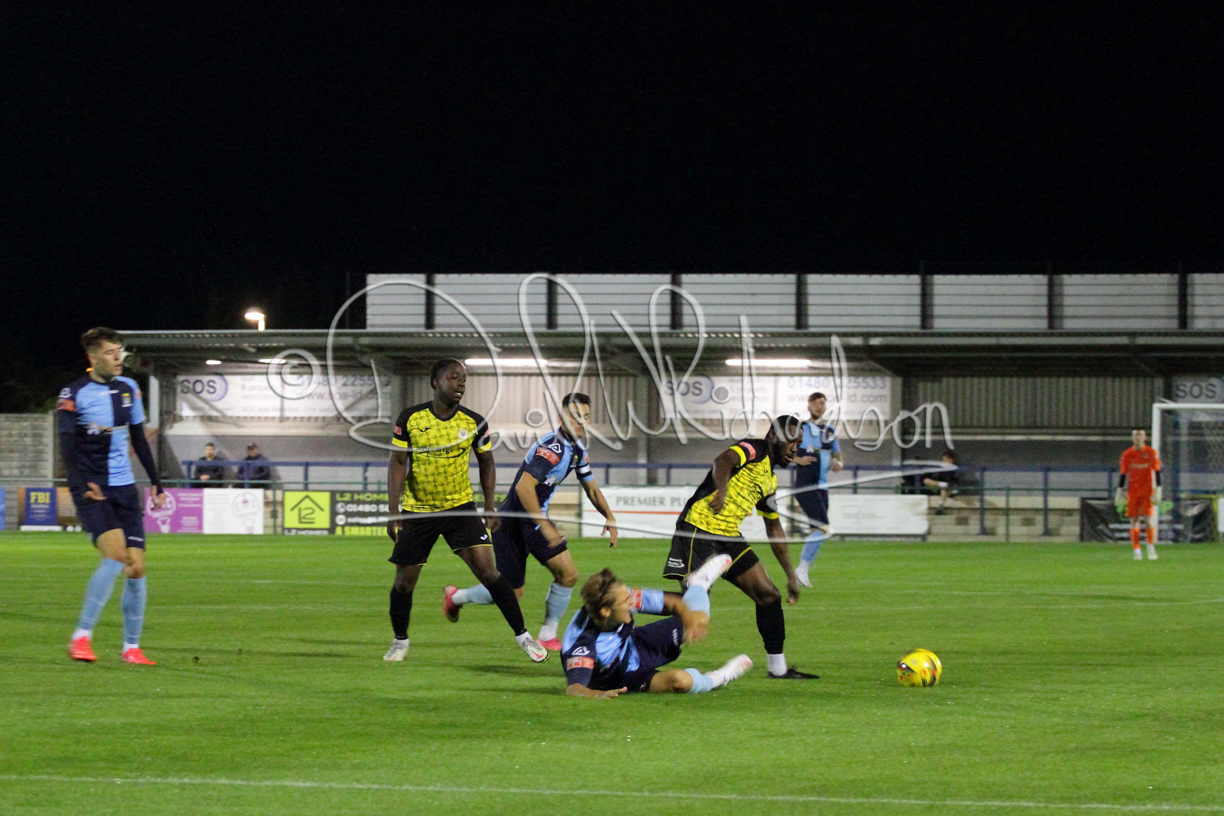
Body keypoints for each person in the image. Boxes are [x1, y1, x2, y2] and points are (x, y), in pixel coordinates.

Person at [384, 358, 548, 663]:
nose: (461, 383)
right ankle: (400, 641)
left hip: (460, 508)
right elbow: (397, 462)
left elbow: (487, 462)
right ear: (436, 382)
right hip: (418, 511)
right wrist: (394, 510)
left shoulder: (474, 422)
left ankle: (524, 637)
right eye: (454, 377)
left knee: (489, 572)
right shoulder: (410, 418)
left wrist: (489, 506)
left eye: (464, 379)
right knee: (404, 583)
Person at [444, 393, 619, 650]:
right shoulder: (553, 449)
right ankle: (458, 597)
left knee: (560, 577)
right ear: (561, 419)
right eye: (575, 417)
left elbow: (591, 488)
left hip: (528, 520)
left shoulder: (578, 451)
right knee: (520, 590)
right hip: (515, 521)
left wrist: (609, 515)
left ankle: (545, 634)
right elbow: (524, 487)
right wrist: (545, 526)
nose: (582, 422)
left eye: (586, 417)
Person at [663, 415, 818, 679]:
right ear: (773, 436)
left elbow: (774, 528)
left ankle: (778, 669)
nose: (795, 447)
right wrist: (722, 491)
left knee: (768, 595)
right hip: (698, 528)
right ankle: (631, 614)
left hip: (728, 537)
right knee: (695, 607)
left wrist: (790, 575)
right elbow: (723, 460)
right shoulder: (753, 449)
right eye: (791, 439)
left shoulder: (769, 481)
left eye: (799, 443)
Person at [58, 327, 166, 665]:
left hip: (125, 488)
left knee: (136, 568)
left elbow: (139, 438)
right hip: (93, 488)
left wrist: (157, 482)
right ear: (92, 357)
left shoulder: (129, 388)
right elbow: (67, 447)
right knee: (116, 555)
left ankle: (131, 648)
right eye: (109, 352)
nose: (118, 358)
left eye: (119, 351)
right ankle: (81, 637)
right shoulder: (74, 393)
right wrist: (82, 483)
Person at [562, 555, 753, 698]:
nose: (632, 602)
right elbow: (575, 689)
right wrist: (599, 695)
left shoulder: (619, 599)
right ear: (605, 611)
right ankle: (719, 677)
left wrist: (690, 621)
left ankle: (698, 584)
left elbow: (673, 603)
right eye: (626, 601)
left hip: (635, 646)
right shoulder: (582, 643)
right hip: (623, 680)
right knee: (680, 681)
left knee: (698, 618)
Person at [790, 391, 843, 587]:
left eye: (823, 403)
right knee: (823, 528)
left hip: (822, 486)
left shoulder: (829, 430)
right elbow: (782, 453)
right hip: (806, 484)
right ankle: (801, 570)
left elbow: (838, 456)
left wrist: (838, 464)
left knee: (816, 531)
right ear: (809, 406)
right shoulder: (801, 428)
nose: (820, 407)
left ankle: (799, 575)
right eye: (816, 403)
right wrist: (798, 459)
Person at [1117, 427, 1161, 561]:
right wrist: (1120, 490)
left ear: (1145, 437)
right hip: (1133, 492)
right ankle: (1137, 551)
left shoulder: (1151, 453)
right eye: (1135, 435)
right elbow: (1123, 473)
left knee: (1147, 519)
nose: (1138, 437)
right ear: (1132, 438)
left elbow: (1157, 471)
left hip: (1147, 491)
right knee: (1134, 521)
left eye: (1140, 435)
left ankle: (1150, 547)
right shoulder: (1127, 454)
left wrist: (1158, 489)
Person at [922, 450, 960, 514]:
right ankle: (941, 485)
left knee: (944, 487)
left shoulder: (954, 468)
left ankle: (941, 505)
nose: (945, 461)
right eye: (944, 459)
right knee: (926, 480)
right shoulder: (940, 468)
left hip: (949, 488)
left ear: (951, 460)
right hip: (938, 485)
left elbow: (954, 482)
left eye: (947, 459)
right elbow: (934, 477)